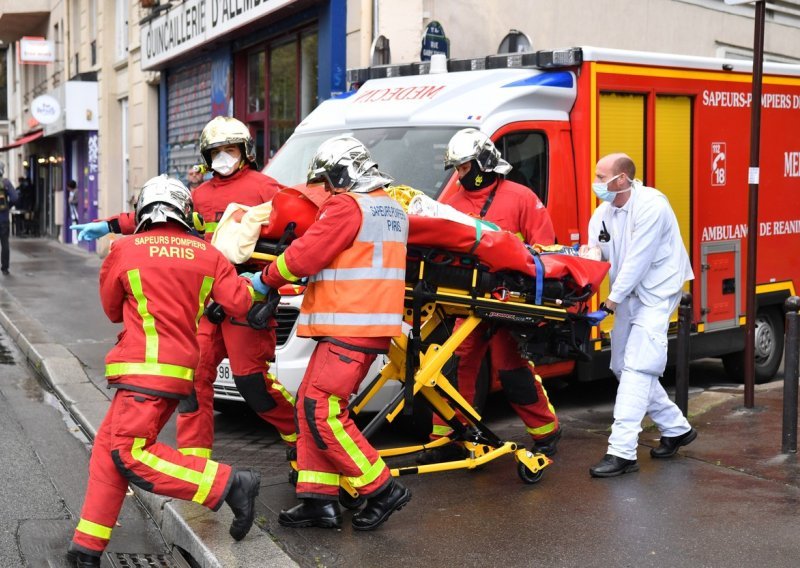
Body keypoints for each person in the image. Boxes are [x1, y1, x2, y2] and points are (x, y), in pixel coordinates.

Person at [70, 116, 297, 459]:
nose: (223, 157)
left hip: (244, 298)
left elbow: (293, 237)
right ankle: (195, 464)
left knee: (253, 384)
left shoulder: (267, 189)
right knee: (193, 382)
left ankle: (303, 439)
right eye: (216, 151)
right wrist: (108, 225)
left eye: (230, 150)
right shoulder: (199, 195)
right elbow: (161, 214)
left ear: (245, 152)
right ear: (207, 158)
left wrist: (267, 283)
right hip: (206, 301)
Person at [67, 175, 262, 568]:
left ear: (143, 212)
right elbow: (241, 303)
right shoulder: (208, 254)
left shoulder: (124, 249)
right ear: (184, 212)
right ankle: (86, 549)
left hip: (140, 370)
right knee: (109, 454)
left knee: (129, 452)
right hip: (177, 371)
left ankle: (230, 484)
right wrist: (257, 281)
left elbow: (110, 310)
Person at [252, 135, 412, 531]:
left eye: (328, 180)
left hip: (349, 323)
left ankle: (381, 488)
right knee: (309, 404)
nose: (325, 189)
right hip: (366, 324)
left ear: (344, 173)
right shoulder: (392, 209)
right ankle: (318, 500)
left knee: (321, 409)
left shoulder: (347, 205)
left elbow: (308, 253)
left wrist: (266, 279)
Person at [418, 128, 561, 464]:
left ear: (483, 162)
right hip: (468, 301)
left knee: (511, 368)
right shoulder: (450, 204)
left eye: (464, 168)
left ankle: (546, 432)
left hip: (509, 300)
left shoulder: (521, 198)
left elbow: (546, 249)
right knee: (457, 365)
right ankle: (447, 437)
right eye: (457, 169)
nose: (459, 175)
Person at [586, 153, 697, 478]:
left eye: (600, 175)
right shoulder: (602, 214)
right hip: (628, 294)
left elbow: (638, 259)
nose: (596, 182)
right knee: (621, 365)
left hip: (656, 293)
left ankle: (621, 451)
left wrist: (610, 301)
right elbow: (597, 253)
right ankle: (676, 429)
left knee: (637, 366)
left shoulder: (652, 206)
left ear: (621, 179)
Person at [0, 161, 19, 275]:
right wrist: (7, 207)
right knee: (4, 243)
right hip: (3, 219)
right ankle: (5, 268)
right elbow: (15, 198)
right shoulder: (6, 183)